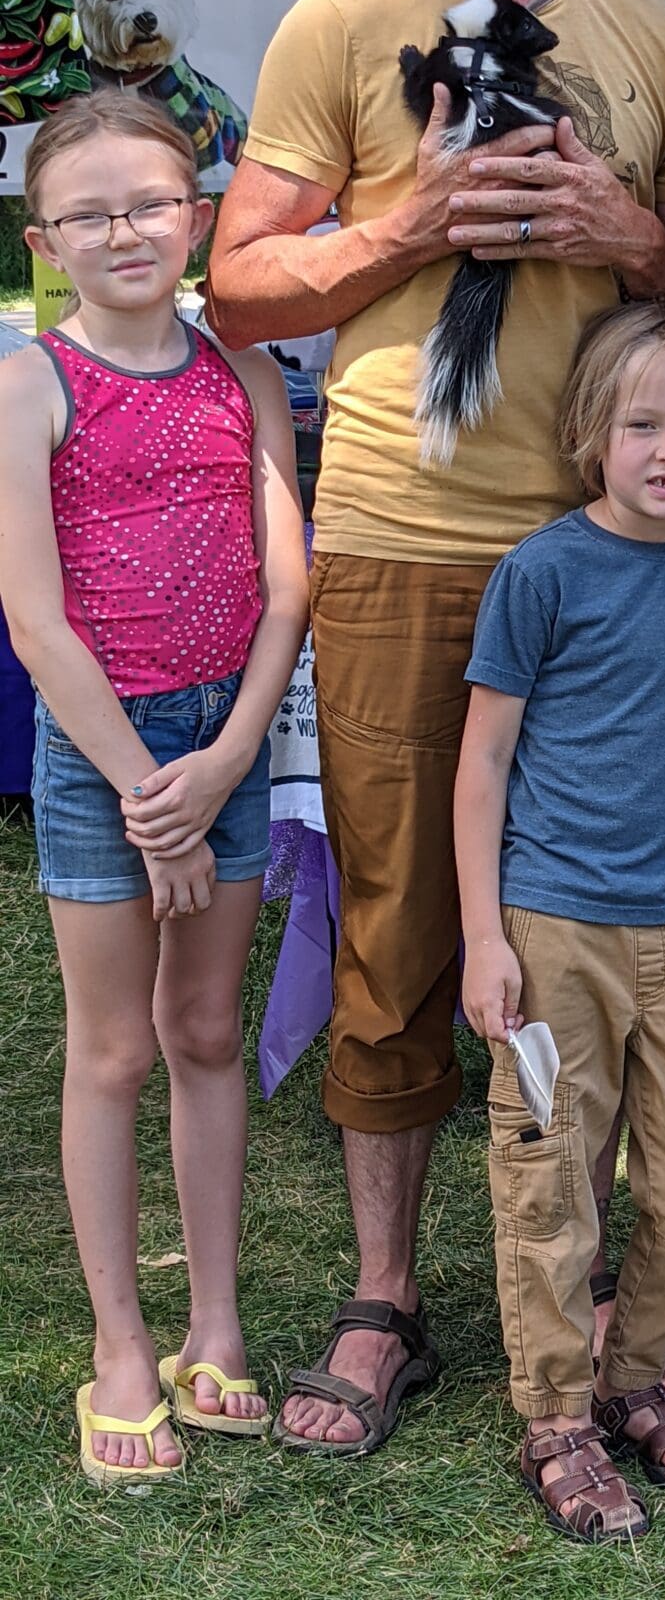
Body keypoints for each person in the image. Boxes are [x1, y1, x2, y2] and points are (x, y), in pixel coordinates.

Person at [204, 0, 665, 1454]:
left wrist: (632, 237)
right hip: (401, 539)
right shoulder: (345, 19)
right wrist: (403, 222)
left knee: (600, 917)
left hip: (616, 558)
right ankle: (387, 1295)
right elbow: (238, 282)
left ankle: (581, 1277)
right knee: (402, 916)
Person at [0, 93, 308, 1484]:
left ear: (195, 216)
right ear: (42, 240)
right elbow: (34, 616)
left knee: (202, 1033)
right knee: (115, 1048)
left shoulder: (238, 373)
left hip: (224, 744)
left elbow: (287, 580)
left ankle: (216, 1322)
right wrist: (143, 790)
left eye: (151, 204)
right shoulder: (27, 385)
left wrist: (231, 757)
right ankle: (121, 1342)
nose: (125, 230)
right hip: (102, 758)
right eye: (91, 212)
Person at [455, 301, 665, 1543]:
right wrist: (484, 936)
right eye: (643, 422)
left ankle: (635, 1373)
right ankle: (557, 1416)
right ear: (593, 430)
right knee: (549, 1180)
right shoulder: (543, 571)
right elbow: (482, 764)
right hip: (552, 925)